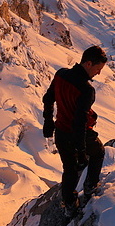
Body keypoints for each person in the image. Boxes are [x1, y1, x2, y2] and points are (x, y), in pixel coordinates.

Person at [42, 45, 108, 209]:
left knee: (69, 170)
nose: (98, 73)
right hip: (78, 135)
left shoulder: (61, 75)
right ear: (88, 64)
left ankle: (70, 205)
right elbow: (80, 121)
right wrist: (81, 150)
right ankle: (90, 186)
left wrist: (48, 121)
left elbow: (48, 98)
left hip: (61, 133)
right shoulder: (86, 90)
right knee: (98, 152)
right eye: (98, 69)